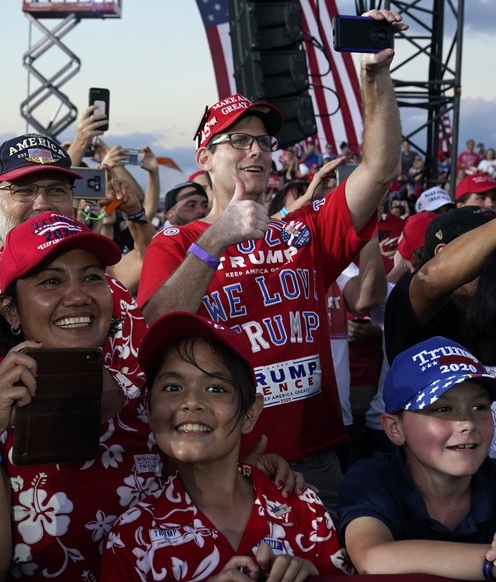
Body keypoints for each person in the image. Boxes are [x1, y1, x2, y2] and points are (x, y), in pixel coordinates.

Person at [137, 9, 407, 512]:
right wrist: (218, 237)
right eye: (238, 140)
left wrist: (375, 78)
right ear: (204, 158)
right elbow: (153, 324)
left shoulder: (302, 230)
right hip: (219, 459)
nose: (255, 150)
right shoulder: (176, 243)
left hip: (315, 459)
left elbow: (380, 169)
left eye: (262, 140)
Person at [0, 211, 162, 580]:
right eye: (50, 281)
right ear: (11, 310)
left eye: (92, 277)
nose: (77, 296)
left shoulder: (148, 403)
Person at [0, 133, 149, 456]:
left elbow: (146, 398)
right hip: (7, 500)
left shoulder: (111, 291)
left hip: (134, 500)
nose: (42, 203)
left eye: (56, 190)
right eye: (24, 190)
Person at [101, 311, 352, 580]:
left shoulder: (304, 508)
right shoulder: (132, 536)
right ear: (148, 410)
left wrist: (316, 577)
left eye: (216, 388)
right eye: (173, 387)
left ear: (250, 413)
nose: (191, 402)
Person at [338, 336, 496, 577]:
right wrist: (489, 563)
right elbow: (371, 557)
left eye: (480, 407)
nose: (467, 423)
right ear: (394, 428)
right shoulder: (371, 479)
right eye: (443, 409)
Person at [384, 206, 496, 363]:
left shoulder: (488, 309)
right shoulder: (410, 300)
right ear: (443, 252)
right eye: (489, 250)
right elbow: (431, 278)